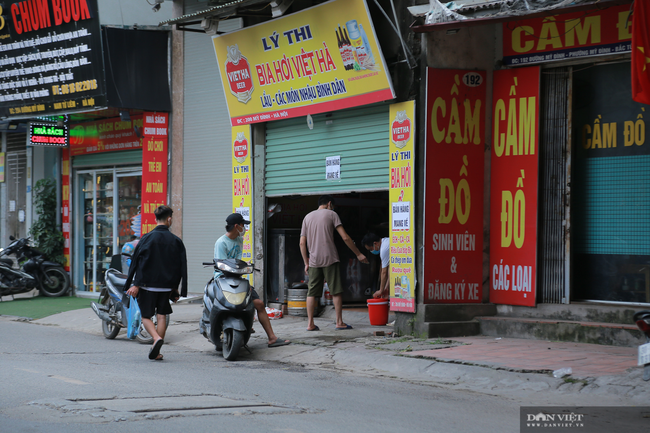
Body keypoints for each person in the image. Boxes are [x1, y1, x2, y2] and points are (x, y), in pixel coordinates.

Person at [214, 213, 290, 348]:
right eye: (243, 225)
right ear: (236, 226)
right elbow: (222, 266)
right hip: (223, 280)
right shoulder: (221, 243)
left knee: (259, 304)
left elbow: (237, 262)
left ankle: (272, 338)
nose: (245, 228)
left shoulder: (239, 240)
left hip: (238, 279)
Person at [125, 205, 187, 361]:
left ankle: (155, 338)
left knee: (146, 316)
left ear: (155, 219)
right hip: (166, 286)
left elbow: (137, 263)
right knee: (161, 316)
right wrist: (178, 288)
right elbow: (181, 266)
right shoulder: (176, 241)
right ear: (169, 219)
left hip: (147, 285)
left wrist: (134, 284)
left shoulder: (146, 238)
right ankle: (156, 349)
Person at [300, 195, 369, 331]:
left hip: (313, 260)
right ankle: (339, 322)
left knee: (311, 292)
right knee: (336, 291)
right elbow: (345, 237)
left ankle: (310, 324)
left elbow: (302, 242)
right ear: (329, 203)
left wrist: (306, 262)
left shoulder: (307, 217)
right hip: (330, 258)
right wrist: (358, 254)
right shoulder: (332, 214)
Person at [362, 233, 390, 299]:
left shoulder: (384, 249)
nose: (372, 251)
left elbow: (384, 273)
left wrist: (380, 290)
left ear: (375, 243)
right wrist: (386, 288)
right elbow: (391, 270)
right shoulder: (386, 241)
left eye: (370, 249)